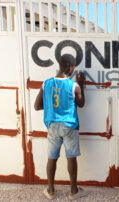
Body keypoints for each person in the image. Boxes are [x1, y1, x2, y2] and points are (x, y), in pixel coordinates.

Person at [34, 54, 88, 200]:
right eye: (73, 68)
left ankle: (51, 190)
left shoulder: (46, 84)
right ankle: (73, 191)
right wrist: (81, 83)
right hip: (69, 126)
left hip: (52, 126)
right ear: (70, 68)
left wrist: (51, 106)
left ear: (59, 65)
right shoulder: (73, 86)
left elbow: (36, 106)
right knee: (71, 158)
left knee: (52, 158)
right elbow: (81, 104)